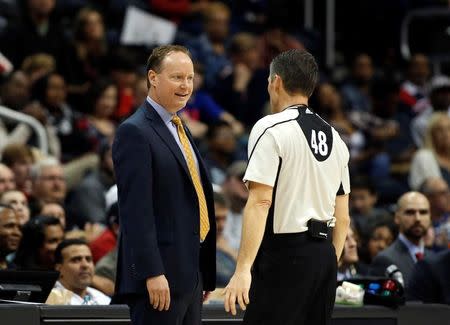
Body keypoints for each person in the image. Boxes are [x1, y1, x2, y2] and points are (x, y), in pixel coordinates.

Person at [223, 49, 351, 325]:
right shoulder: (335, 137)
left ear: (276, 82)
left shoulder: (270, 127)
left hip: (285, 255)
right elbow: (343, 216)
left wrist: (243, 269)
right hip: (324, 256)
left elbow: (259, 201)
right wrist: (330, 263)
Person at [112, 45, 216, 325]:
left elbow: (193, 201)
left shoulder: (180, 127)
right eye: (177, 77)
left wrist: (202, 271)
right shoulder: (134, 131)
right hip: (159, 279)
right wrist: (151, 272)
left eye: (190, 78)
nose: (186, 85)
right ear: (153, 77)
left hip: (190, 275)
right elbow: (136, 211)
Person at [370, 192, 435, 288]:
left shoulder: (435, 259)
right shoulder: (384, 259)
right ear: (397, 218)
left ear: (430, 217)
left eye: (423, 212)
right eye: (410, 212)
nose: (418, 218)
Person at [46, 239, 111, 305]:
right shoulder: (52, 299)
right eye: (76, 260)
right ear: (59, 269)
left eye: (88, 259)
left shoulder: (101, 297)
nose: (85, 265)